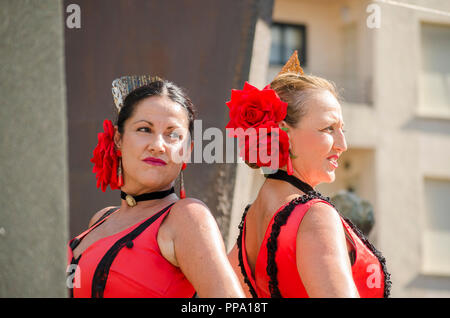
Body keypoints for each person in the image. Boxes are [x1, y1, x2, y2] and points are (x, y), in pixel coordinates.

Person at [227, 52, 391, 298]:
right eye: (329, 128)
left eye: (342, 130)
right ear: (284, 132)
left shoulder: (251, 221)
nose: (342, 144)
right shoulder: (314, 215)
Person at [67, 75, 245, 298]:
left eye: (173, 134)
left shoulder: (187, 218)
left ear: (187, 150)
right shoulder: (101, 219)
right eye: (144, 129)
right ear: (118, 139)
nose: (158, 146)